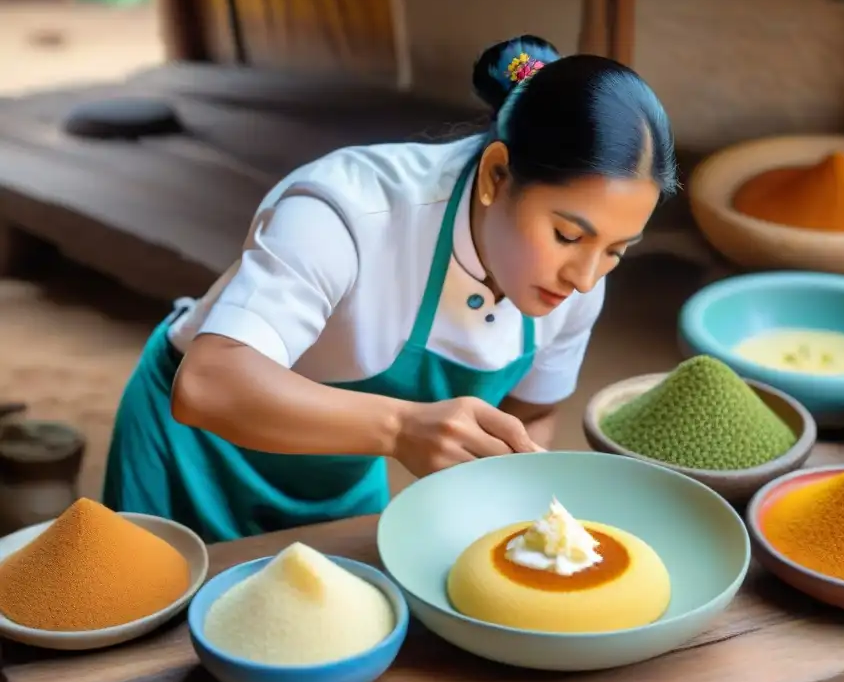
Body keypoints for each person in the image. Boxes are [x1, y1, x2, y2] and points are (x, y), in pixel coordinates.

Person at [102, 35, 678, 542]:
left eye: (616, 250)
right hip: (192, 454)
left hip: (338, 471)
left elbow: (529, 414)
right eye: (567, 234)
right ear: (496, 175)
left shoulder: (579, 284)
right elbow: (207, 384)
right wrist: (402, 428)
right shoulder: (349, 212)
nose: (584, 277)